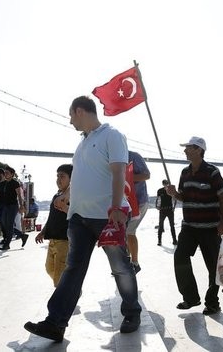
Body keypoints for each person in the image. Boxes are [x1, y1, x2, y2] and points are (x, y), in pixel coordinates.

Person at [24, 96, 141, 342]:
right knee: (73, 268)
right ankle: (55, 323)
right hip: (79, 217)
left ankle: (132, 312)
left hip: (108, 216)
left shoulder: (112, 135)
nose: (70, 121)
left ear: (80, 111)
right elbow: (82, 177)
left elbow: (119, 171)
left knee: (120, 267)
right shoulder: (83, 143)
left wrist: (117, 208)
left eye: (71, 115)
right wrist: (68, 200)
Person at [165, 136, 223, 316]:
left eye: (188, 148)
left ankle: (212, 303)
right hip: (189, 227)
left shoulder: (212, 172)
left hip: (209, 227)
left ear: (199, 150)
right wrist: (174, 193)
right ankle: (191, 298)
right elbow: (185, 197)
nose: (185, 151)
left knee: (213, 266)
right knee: (180, 257)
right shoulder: (184, 172)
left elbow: (222, 198)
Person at [35, 164, 72, 287]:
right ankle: (71, 286)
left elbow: (76, 215)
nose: (58, 179)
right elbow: (51, 218)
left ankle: (63, 300)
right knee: (49, 269)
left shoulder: (73, 197)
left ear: (71, 179)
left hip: (64, 241)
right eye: (57, 176)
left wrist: (65, 206)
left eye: (62, 176)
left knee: (58, 275)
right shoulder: (56, 196)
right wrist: (43, 232)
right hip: (52, 240)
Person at [126, 150, 150, 274]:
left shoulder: (134, 156)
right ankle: (126, 261)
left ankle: (135, 263)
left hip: (139, 202)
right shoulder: (110, 157)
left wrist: (127, 177)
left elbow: (146, 175)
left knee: (129, 231)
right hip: (123, 203)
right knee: (122, 233)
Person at [0, 166, 27, 251]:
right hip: (5, 206)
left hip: (13, 206)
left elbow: (19, 195)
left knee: (9, 224)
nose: (5, 174)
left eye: (7, 173)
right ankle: (22, 235)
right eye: (5, 173)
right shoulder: (4, 183)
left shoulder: (15, 183)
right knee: (4, 223)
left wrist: (21, 206)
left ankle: (7, 244)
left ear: (12, 174)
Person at [155, 180, 177, 246]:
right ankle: (159, 241)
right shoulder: (160, 190)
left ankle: (174, 240)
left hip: (170, 210)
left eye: (166, 184)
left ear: (168, 183)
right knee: (160, 226)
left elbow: (174, 199)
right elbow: (158, 199)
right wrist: (157, 206)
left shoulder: (171, 190)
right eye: (164, 184)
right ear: (163, 184)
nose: (166, 185)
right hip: (162, 210)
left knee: (172, 226)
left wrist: (174, 208)